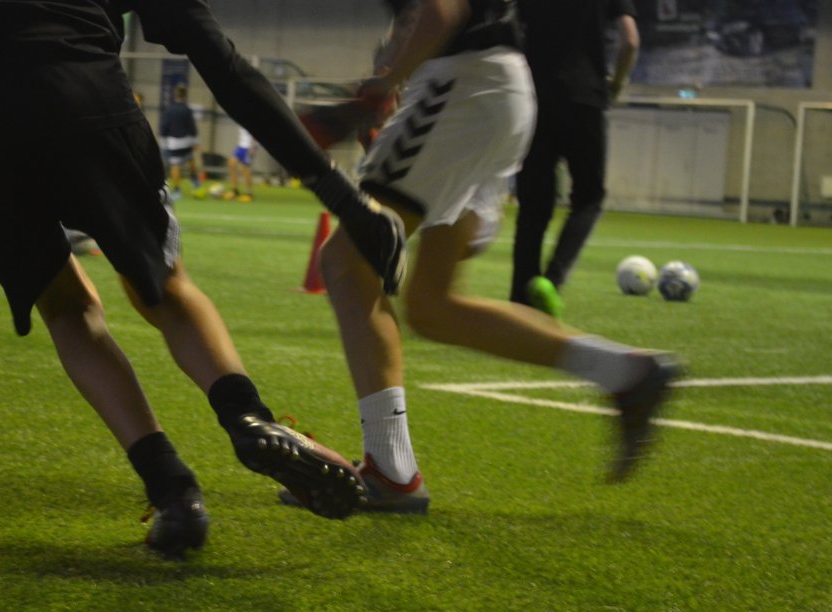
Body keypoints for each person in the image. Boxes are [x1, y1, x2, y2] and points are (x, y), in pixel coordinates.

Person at [0, 0, 393, 560]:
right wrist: (339, 195)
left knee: (68, 307)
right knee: (164, 289)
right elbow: (225, 68)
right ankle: (246, 417)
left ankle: (172, 490)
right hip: (80, 97)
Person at [289, 0, 679, 514]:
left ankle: (391, 470)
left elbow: (440, 8)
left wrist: (376, 90)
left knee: (346, 264)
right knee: (433, 306)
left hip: (461, 86)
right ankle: (625, 371)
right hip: (498, 91)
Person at [509, 0, 640, 318]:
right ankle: (551, 281)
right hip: (585, 97)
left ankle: (520, 299)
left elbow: (509, 27)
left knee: (533, 205)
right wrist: (616, 84)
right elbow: (630, 41)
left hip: (535, 97)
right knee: (588, 198)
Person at [161, 84, 204, 200]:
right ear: (184, 96)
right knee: (190, 159)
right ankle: (195, 181)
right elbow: (192, 127)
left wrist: (163, 141)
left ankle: (177, 190)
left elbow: (164, 127)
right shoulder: (187, 110)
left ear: (175, 95)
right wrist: (196, 142)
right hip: (186, 141)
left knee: (175, 165)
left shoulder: (169, 110)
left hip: (173, 143)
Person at [223, 124, 256, 202]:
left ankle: (249, 193)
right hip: (241, 146)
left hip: (249, 147)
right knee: (231, 164)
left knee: (245, 169)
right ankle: (235, 190)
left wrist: (253, 147)